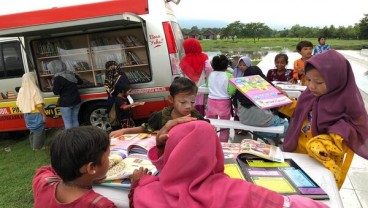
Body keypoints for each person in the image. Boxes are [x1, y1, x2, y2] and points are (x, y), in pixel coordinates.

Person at [129, 120, 329, 208]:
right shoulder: (238, 191)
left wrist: (137, 184)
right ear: (215, 152)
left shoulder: (147, 191)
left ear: (171, 154)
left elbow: (172, 171)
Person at [280, 50, 368, 189]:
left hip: (321, 162)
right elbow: (299, 111)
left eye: (319, 82)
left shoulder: (346, 105)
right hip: (298, 153)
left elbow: (349, 136)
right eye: (308, 80)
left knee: (314, 194)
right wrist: (282, 102)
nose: (311, 86)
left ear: (336, 81)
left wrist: (326, 141)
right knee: (293, 189)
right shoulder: (310, 95)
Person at [32, 126, 116, 207]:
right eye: (108, 156)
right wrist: (130, 190)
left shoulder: (43, 183)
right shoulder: (101, 205)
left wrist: (86, 176)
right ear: (91, 167)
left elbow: (44, 169)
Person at [109, 77, 208, 138]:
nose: (188, 106)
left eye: (192, 102)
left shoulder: (197, 118)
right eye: (182, 102)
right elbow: (145, 128)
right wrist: (124, 131)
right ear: (171, 99)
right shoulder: (160, 117)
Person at [236, 66, 289, 140]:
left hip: (244, 120)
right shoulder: (264, 87)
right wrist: (277, 91)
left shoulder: (239, 88)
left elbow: (235, 105)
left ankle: (257, 133)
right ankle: (260, 133)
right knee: (288, 127)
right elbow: (275, 105)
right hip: (264, 121)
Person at [179, 38, 213, 116]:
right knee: (200, 104)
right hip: (201, 86)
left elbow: (181, 75)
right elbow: (209, 69)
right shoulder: (204, 57)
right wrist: (207, 78)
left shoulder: (184, 60)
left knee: (190, 104)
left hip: (188, 87)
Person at [206, 55, 236, 142]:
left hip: (211, 102)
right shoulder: (229, 75)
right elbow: (231, 91)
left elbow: (208, 85)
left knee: (211, 124)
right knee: (224, 126)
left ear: (213, 65)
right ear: (227, 65)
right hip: (224, 103)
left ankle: (211, 141)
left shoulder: (211, 75)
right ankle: (223, 143)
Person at [16, 72, 47, 151]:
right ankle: (37, 147)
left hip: (27, 114)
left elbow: (18, 103)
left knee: (32, 130)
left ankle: (34, 145)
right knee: (39, 130)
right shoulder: (34, 89)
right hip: (36, 113)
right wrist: (43, 115)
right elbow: (39, 104)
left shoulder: (21, 90)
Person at [48, 60, 83, 129]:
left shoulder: (58, 78)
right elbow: (80, 82)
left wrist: (52, 87)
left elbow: (56, 92)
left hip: (65, 103)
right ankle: (77, 135)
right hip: (76, 101)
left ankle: (70, 138)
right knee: (75, 119)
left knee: (67, 122)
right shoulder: (71, 74)